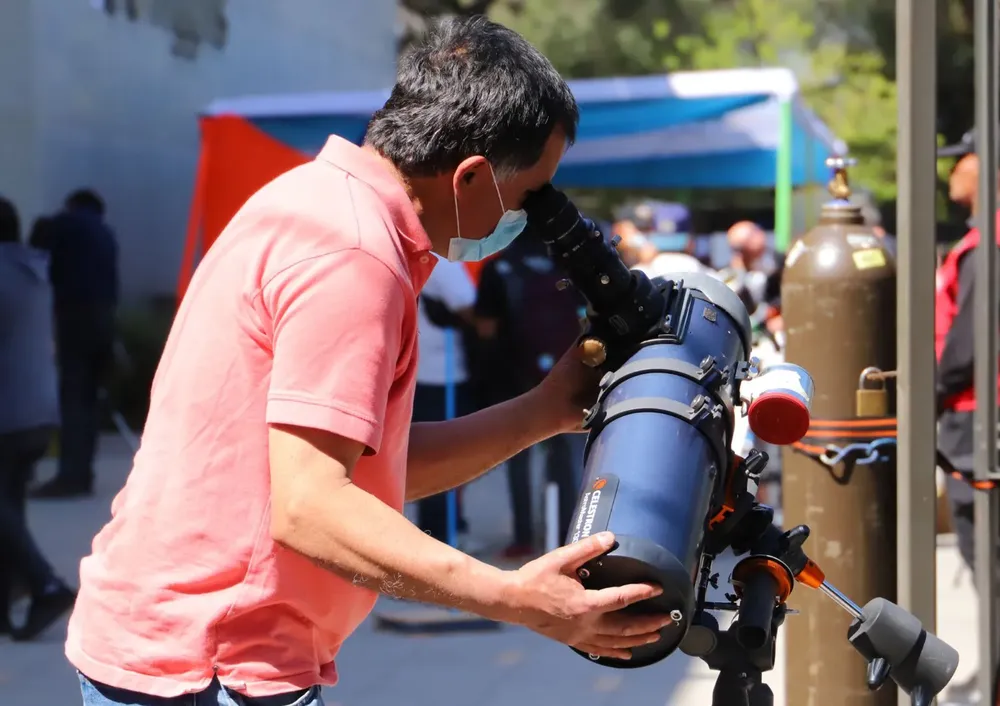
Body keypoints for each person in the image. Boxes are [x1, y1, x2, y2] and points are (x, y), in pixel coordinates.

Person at [67, 17, 670, 706]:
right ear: (472, 176)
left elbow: (362, 472)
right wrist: (515, 597)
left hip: (181, 643)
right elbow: (312, 506)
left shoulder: (316, 200)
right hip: (212, 663)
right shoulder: (355, 257)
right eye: (531, 197)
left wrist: (541, 411)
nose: (533, 220)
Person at [475, 232, 588, 559]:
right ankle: (569, 534)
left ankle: (523, 537)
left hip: (515, 378)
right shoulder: (567, 267)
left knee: (517, 456)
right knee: (567, 456)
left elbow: (485, 327)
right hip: (565, 375)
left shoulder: (498, 268)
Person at [0, 196, 77, 641]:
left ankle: (45, 584)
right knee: (9, 507)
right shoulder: (32, 270)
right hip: (39, 412)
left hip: (8, 413)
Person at [30, 189, 119, 499]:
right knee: (89, 400)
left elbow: (37, 260)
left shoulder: (65, 224)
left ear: (72, 204)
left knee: (72, 399)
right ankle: (83, 474)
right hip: (104, 322)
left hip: (75, 319)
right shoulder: (106, 233)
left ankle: (69, 477)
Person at [412, 256, 477, 543]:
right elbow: (469, 305)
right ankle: (442, 536)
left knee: (426, 457)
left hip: (417, 372)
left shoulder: (403, 253)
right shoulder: (442, 260)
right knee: (445, 459)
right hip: (445, 374)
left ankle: (434, 533)